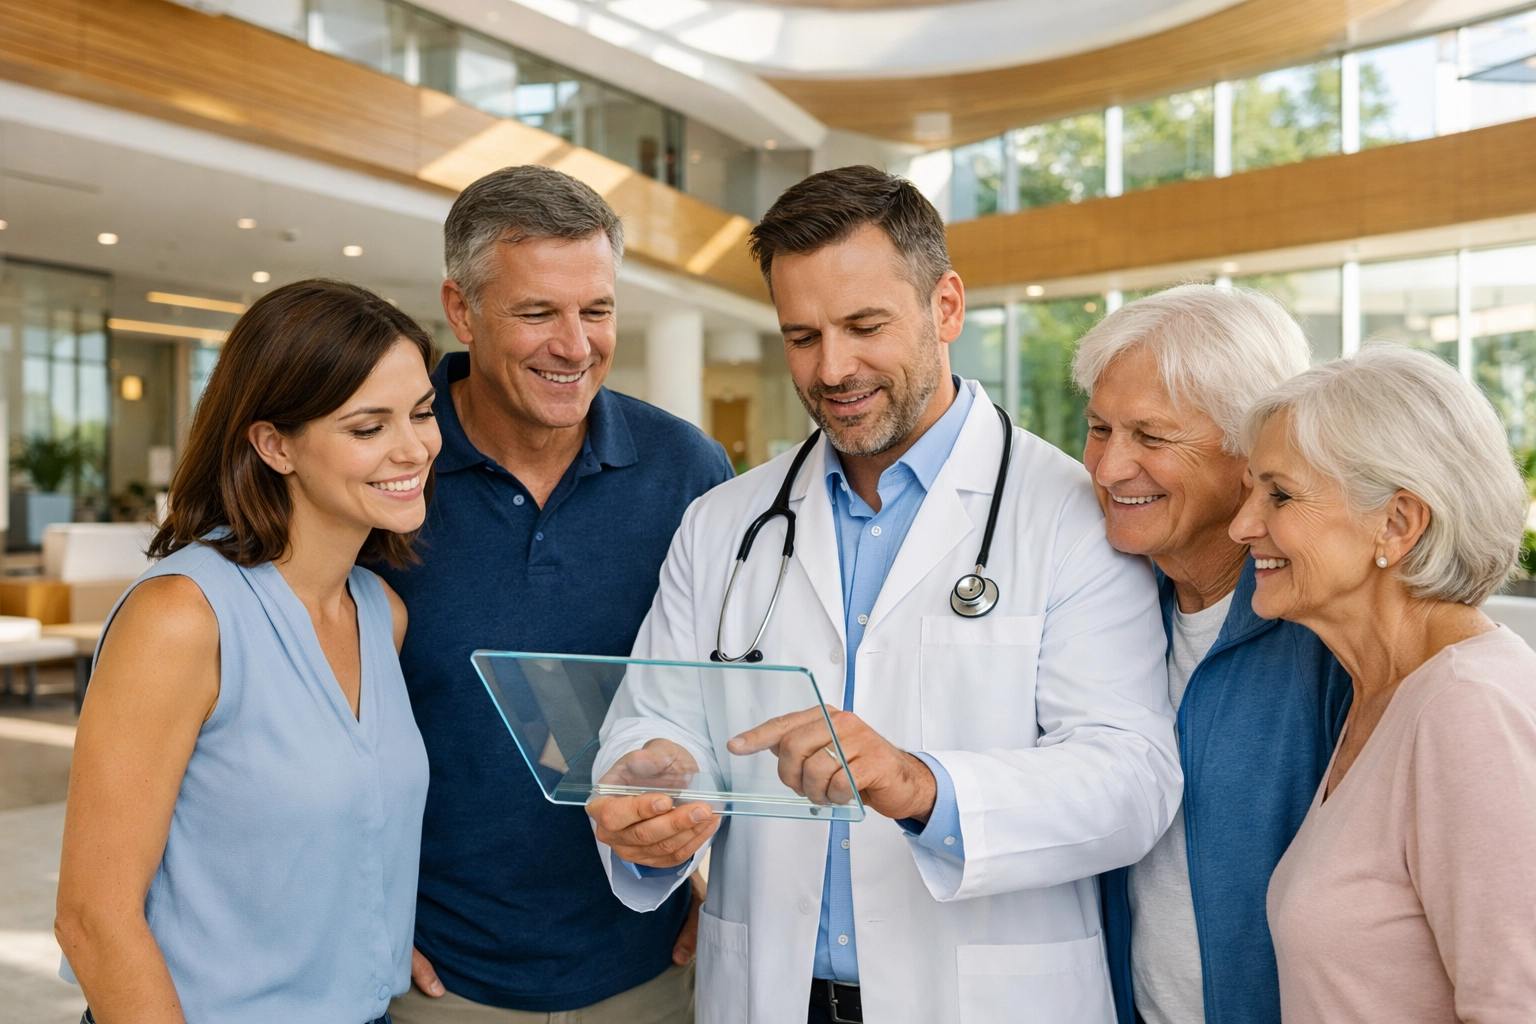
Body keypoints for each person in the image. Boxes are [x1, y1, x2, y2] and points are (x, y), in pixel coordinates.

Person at [585, 164, 1182, 1024]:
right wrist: (651, 791)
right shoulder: (723, 522)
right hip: (767, 993)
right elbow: (655, 718)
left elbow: (1132, 781)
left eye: (865, 326)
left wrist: (921, 785)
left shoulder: (1069, 515)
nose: (833, 368)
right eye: (802, 336)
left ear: (946, 307)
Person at [375, 165, 733, 1024]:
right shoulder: (386, 466)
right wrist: (360, 914)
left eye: (596, 310)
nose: (575, 346)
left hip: (649, 971)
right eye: (537, 312)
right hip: (438, 984)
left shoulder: (687, 470)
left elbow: (729, 692)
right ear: (462, 310)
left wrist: (720, 882)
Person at [54, 279, 439, 1024]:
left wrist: (368, 942)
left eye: (421, 413)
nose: (413, 448)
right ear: (274, 444)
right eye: (368, 427)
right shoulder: (181, 618)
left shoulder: (379, 613)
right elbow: (93, 920)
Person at [1071, 285, 1352, 1024]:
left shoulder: (1327, 639)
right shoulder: (1096, 612)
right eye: (1099, 429)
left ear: (1251, 452)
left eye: (1151, 438)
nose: (1108, 467)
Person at [1232, 343, 1536, 1022]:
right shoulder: (1380, 694)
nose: (1242, 525)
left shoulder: (1468, 709)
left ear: (1397, 523)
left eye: (1280, 494)